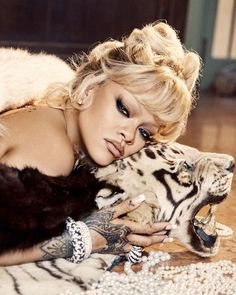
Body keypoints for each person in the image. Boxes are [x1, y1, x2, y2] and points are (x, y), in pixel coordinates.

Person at [0, 21, 201, 266]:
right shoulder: (54, 150)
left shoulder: (49, 116)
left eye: (145, 133)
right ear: (90, 88)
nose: (128, 135)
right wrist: (87, 239)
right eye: (124, 109)